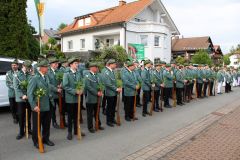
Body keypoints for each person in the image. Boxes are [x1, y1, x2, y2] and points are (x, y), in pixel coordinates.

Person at [27, 59, 55, 149]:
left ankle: (45, 139)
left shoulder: (46, 76)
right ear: (41, 68)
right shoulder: (34, 78)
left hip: (48, 104)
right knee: (37, 125)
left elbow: (48, 87)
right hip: (38, 106)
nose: (48, 68)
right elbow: (30, 93)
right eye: (46, 67)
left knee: (47, 124)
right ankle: (36, 141)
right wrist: (33, 106)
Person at [63, 57, 85, 140]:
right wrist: (75, 91)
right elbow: (65, 86)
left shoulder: (79, 73)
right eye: (75, 63)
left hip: (77, 99)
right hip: (70, 99)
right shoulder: (67, 74)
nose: (77, 65)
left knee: (77, 115)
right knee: (70, 116)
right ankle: (69, 132)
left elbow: (82, 82)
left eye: (77, 63)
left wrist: (82, 89)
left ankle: (76, 130)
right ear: (71, 65)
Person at [13, 60, 33, 140]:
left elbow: (31, 85)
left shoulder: (29, 75)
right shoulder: (17, 75)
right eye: (27, 67)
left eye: (29, 67)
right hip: (21, 99)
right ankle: (21, 131)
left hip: (29, 98)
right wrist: (23, 96)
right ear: (23, 66)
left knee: (29, 115)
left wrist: (29, 95)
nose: (28, 69)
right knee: (21, 115)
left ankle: (28, 129)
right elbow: (16, 88)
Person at [84, 62, 104, 133]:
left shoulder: (98, 75)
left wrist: (102, 90)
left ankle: (98, 124)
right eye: (96, 67)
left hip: (98, 98)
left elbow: (102, 84)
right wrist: (96, 92)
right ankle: (90, 127)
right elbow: (88, 87)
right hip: (90, 98)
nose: (97, 68)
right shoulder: (87, 76)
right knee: (90, 114)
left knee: (97, 112)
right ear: (91, 68)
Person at [101, 59, 122, 127]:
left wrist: (118, 86)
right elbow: (108, 84)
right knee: (109, 107)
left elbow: (115, 81)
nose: (115, 65)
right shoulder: (106, 72)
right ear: (110, 64)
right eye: (114, 64)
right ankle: (108, 120)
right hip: (110, 93)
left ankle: (112, 119)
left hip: (114, 92)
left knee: (113, 107)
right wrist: (116, 89)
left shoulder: (112, 71)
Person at [47, 57, 62, 129]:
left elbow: (62, 79)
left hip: (60, 94)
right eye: (55, 64)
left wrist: (61, 85)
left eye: (57, 63)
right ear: (51, 64)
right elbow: (48, 84)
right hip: (52, 94)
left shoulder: (59, 71)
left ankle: (63, 121)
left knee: (61, 108)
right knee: (53, 109)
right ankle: (54, 122)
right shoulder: (47, 72)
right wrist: (56, 89)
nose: (57, 65)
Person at [6, 59, 19, 124]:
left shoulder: (20, 73)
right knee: (12, 107)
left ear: (18, 66)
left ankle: (19, 117)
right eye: (12, 65)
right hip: (12, 93)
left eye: (15, 65)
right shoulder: (8, 73)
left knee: (18, 106)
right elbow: (7, 83)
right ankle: (15, 118)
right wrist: (15, 87)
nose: (13, 66)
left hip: (19, 94)